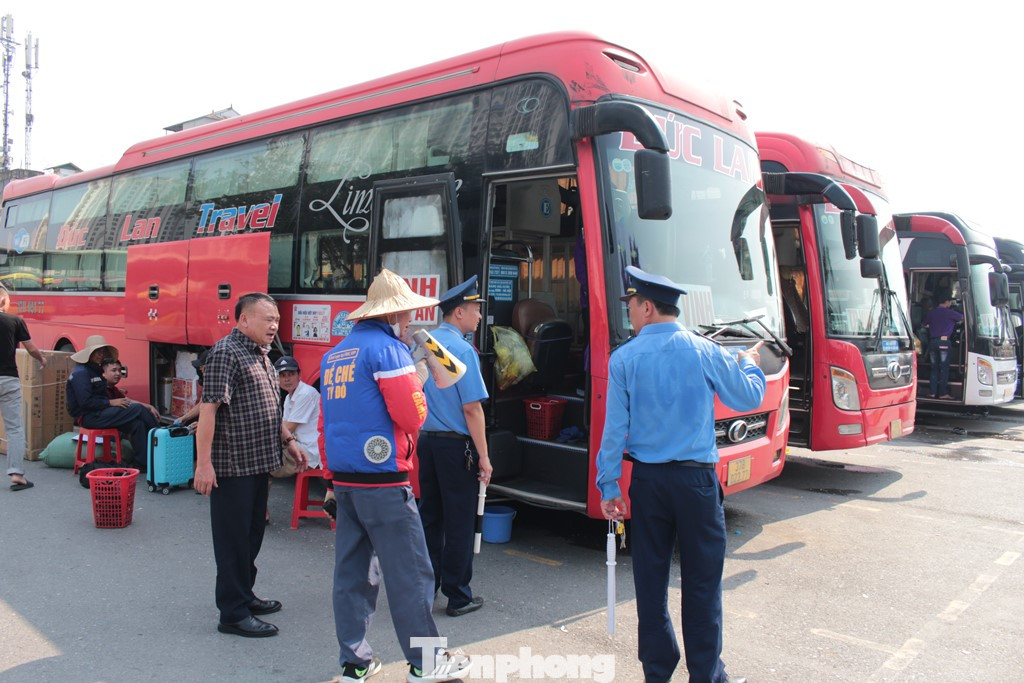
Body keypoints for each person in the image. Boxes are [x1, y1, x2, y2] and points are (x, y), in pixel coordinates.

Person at [596, 266, 764, 683]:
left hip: (649, 484)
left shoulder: (624, 359)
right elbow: (748, 395)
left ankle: (658, 671)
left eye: (632, 307)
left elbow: (614, 429)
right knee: (702, 584)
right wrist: (751, 364)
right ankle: (706, 675)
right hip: (697, 485)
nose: (630, 315)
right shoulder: (705, 350)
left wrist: (609, 484)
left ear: (648, 307)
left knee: (650, 582)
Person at [320, 268, 470, 682]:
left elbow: (326, 423)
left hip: (346, 483)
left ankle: (355, 662)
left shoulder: (334, 356)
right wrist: (420, 377)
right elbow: (410, 415)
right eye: (406, 316)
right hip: (385, 484)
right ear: (393, 316)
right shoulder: (389, 353)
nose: (410, 323)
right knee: (410, 575)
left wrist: (331, 482)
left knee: (352, 576)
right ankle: (426, 663)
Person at [194, 293, 308, 639]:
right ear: (243, 320)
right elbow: (209, 410)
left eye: (276, 319)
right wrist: (204, 464)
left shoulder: (262, 354)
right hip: (232, 466)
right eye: (266, 319)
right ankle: (232, 613)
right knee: (233, 542)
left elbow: (268, 409)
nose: (274, 325)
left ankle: (244, 595)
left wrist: (289, 441)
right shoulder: (226, 353)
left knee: (252, 535)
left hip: (259, 463)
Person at [417, 275, 493, 618]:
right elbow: (472, 408)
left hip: (426, 444)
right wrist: (485, 456)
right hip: (455, 447)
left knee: (430, 517)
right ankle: (459, 595)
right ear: (459, 312)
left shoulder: (422, 344)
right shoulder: (462, 349)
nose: (479, 317)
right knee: (460, 520)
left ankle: (425, 588)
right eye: (476, 310)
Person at [66, 335, 158, 472]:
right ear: (89, 354)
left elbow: (113, 396)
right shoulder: (81, 373)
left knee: (137, 424)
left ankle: (143, 463)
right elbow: (85, 402)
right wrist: (110, 402)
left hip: (101, 412)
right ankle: (161, 437)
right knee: (137, 409)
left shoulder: (95, 370)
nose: (100, 355)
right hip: (89, 417)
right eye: (97, 352)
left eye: (102, 352)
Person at [268, 355, 333, 519]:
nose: (286, 379)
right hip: (298, 446)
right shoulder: (290, 396)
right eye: (282, 376)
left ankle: (259, 511)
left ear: (299, 375)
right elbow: (283, 426)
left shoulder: (305, 393)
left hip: (309, 452)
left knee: (263, 465)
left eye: (290, 374)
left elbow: (288, 428)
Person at [0, 285, 46, 492]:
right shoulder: (14, 320)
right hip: (8, 380)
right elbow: (31, 348)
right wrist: (42, 359)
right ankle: (17, 474)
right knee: (15, 429)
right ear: (3, 301)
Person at [921, 291, 964, 399]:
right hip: (944, 342)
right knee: (944, 369)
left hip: (933, 342)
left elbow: (923, 324)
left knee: (934, 368)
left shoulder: (932, 312)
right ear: (947, 302)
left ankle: (932, 392)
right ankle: (943, 393)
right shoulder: (950, 313)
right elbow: (963, 318)